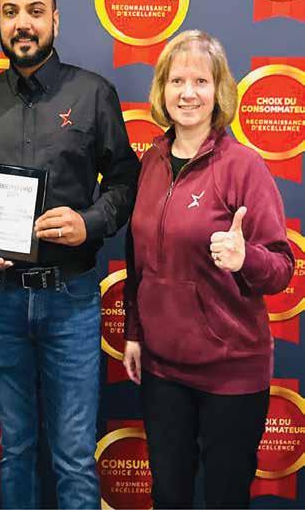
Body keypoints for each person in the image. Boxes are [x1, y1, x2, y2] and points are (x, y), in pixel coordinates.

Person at [0, 0, 139, 508]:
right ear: (0, 22)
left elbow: (125, 181)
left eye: (34, 11)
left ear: (55, 20)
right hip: (0, 300)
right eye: (10, 12)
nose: (22, 23)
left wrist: (89, 222)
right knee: (15, 450)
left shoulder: (93, 94)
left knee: (74, 456)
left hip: (72, 298)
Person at [122, 30, 294, 509]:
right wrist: (134, 332)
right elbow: (138, 260)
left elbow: (282, 267)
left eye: (200, 81)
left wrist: (245, 259)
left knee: (225, 499)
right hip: (163, 369)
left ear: (219, 91)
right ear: (162, 89)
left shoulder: (244, 166)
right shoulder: (152, 161)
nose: (188, 93)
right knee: (169, 496)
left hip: (231, 373)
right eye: (177, 80)